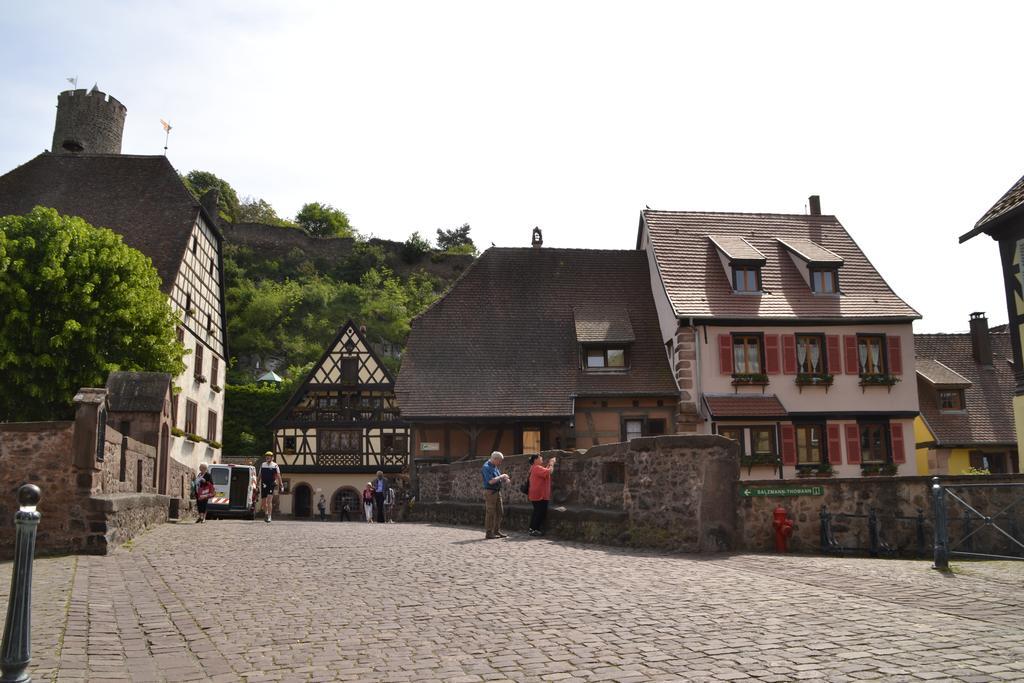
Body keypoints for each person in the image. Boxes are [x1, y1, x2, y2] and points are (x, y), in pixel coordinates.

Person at [481, 451, 510, 539]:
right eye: (500, 460)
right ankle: (489, 533)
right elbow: (491, 481)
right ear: (495, 459)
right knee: (490, 513)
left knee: (500, 512)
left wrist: (504, 479)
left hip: (497, 492)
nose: (500, 462)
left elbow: (497, 479)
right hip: (490, 492)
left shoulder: (495, 466)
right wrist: (502, 476)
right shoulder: (486, 467)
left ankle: (496, 530)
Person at [527, 453, 556, 536]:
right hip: (540, 495)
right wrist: (551, 463)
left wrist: (548, 465)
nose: (542, 458)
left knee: (537, 512)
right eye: (540, 457)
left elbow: (545, 472)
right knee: (539, 512)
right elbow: (549, 472)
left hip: (536, 494)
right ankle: (534, 529)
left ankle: (532, 528)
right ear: (535, 460)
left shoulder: (534, 468)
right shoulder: (536, 468)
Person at [258, 451, 283, 523]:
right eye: (266, 456)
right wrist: (256, 484)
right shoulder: (263, 465)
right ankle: (266, 513)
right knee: (263, 502)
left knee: (269, 501)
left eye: (269, 456)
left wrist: (281, 483)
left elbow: (278, 475)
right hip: (263, 484)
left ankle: (269, 516)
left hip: (271, 484)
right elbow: (260, 475)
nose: (267, 457)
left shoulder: (275, 465)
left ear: (272, 458)